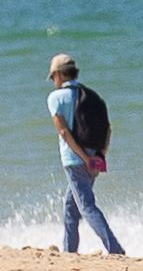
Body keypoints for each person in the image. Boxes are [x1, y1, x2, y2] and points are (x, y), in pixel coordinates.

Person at [50, 53, 123, 256]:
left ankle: (115, 248)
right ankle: (69, 251)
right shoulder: (92, 96)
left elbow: (63, 132)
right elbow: (108, 129)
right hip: (95, 158)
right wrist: (98, 157)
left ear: (58, 75)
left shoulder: (55, 98)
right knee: (70, 207)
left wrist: (84, 158)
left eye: (52, 77)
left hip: (75, 160)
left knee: (86, 206)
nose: (53, 81)